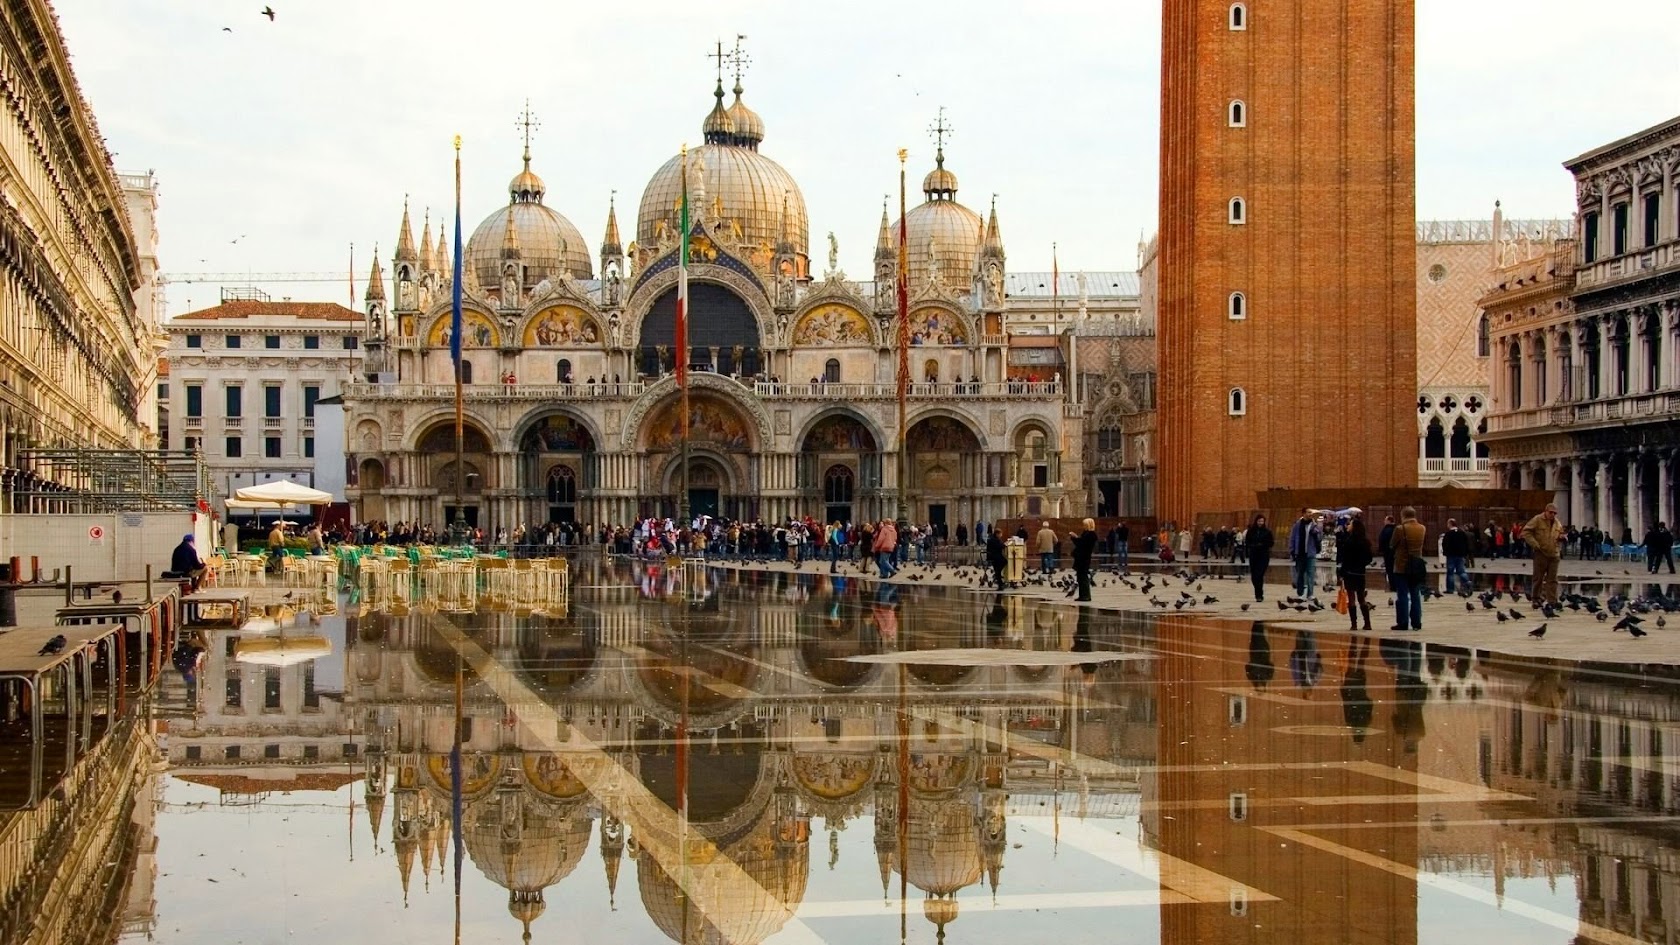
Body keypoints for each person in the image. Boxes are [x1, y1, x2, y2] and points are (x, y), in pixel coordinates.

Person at [1389, 506, 1427, 632]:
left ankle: (1403, 622)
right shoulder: (1422, 528)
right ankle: (1417, 622)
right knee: (1416, 594)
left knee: (1403, 595)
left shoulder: (1400, 529)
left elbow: (1392, 545)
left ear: (1403, 515)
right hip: (1417, 565)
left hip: (1402, 566)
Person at [1524, 503, 1566, 604]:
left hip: (1554, 554)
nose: (1552, 515)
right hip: (1541, 553)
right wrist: (1534, 544)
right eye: (1551, 512)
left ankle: (1552, 601)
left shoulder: (1557, 523)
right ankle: (1536, 599)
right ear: (1545, 511)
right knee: (1538, 578)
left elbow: (1561, 533)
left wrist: (1562, 537)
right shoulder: (1537, 519)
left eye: (1554, 513)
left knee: (1552, 580)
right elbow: (1526, 532)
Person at [1338, 516, 1374, 632]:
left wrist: (1342, 573)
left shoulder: (1349, 542)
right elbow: (1369, 558)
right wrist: (1361, 564)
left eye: (1350, 524)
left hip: (1350, 572)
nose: (1348, 526)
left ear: (1354, 528)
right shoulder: (1365, 542)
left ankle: (1354, 624)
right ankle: (1367, 623)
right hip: (1360, 573)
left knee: (1352, 599)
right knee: (1361, 598)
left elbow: (1345, 559)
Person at [1287, 509, 1322, 599]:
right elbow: (1293, 538)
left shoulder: (1314, 525)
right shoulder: (1297, 525)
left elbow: (1320, 537)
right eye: (1308, 512)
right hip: (1300, 553)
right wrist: (1292, 550)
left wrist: (1316, 533)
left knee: (1310, 573)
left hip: (1311, 553)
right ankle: (1301, 592)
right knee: (1300, 573)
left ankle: (1310, 594)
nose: (1310, 514)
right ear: (1303, 514)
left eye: (1311, 512)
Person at [1245, 513, 1274, 602]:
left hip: (1263, 555)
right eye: (1259, 521)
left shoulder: (1267, 532)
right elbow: (1247, 542)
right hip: (1254, 555)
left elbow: (1271, 543)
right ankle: (1257, 592)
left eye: (1262, 521)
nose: (1260, 523)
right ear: (1256, 521)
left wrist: (1263, 545)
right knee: (1254, 576)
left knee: (1259, 575)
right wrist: (1252, 546)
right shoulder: (1251, 531)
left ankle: (1259, 595)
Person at [1441, 519, 1470, 594]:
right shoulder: (1462, 533)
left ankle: (1450, 589)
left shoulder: (1448, 534)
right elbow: (1466, 543)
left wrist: (1445, 552)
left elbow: (1444, 544)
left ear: (1450, 524)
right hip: (1460, 555)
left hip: (1451, 555)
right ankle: (1468, 583)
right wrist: (1465, 553)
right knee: (1461, 571)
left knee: (1450, 572)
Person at [1072, 517, 1098, 602]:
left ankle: (1086, 596)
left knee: (1083, 577)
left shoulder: (1091, 535)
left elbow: (1082, 545)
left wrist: (1075, 538)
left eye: (1085, 525)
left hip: (1084, 558)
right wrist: (1075, 538)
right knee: (1080, 577)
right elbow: (1081, 543)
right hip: (1081, 557)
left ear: (1088, 525)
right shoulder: (1086, 534)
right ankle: (1082, 595)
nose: (1083, 526)